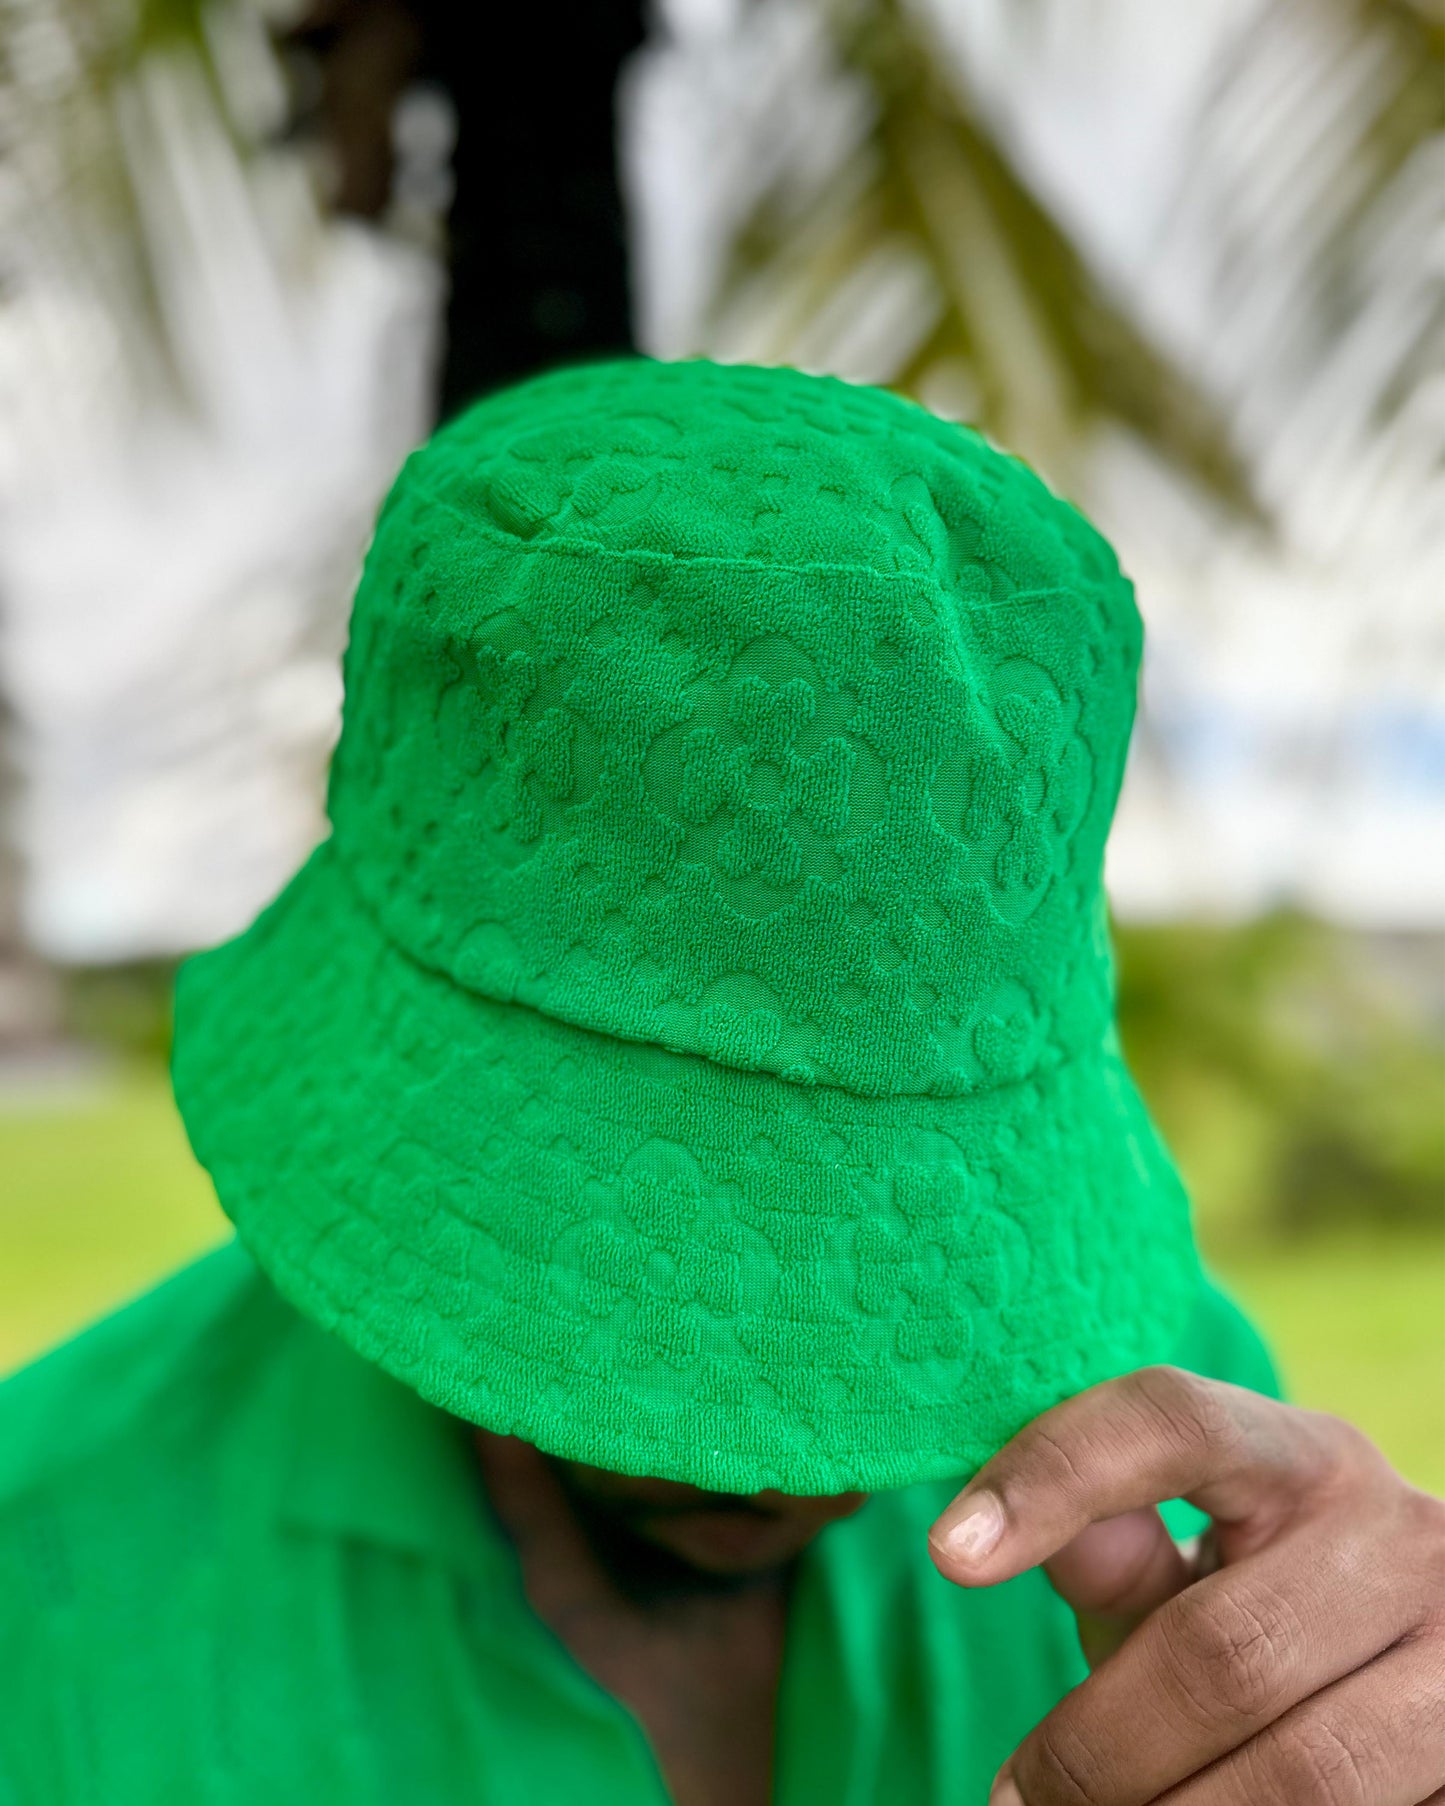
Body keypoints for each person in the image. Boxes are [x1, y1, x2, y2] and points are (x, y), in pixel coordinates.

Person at [1, 359, 1439, 1805]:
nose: (776, 1453)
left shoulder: (1188, 1471)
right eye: (644, 1263)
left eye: (888, 1293)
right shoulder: (46, 1581)